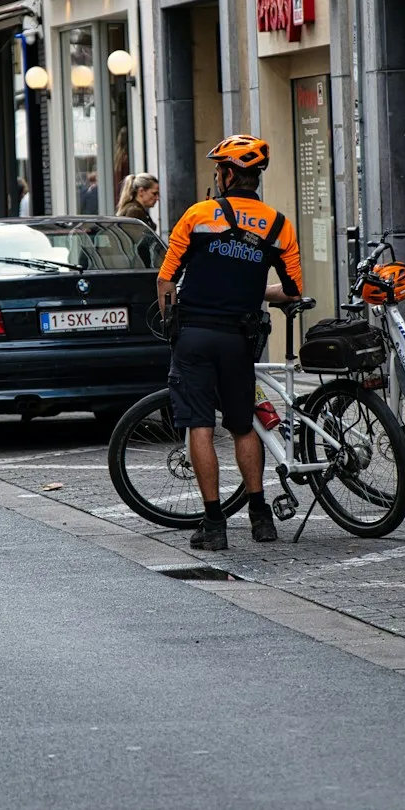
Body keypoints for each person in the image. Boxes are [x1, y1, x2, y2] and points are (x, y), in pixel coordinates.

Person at [157, 135, 303, 551]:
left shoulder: (198, 216)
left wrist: (169, 322)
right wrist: (257, 291)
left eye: (219, 169)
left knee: (199, 425)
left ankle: (215, 524)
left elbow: (167, 278)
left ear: (227, 174)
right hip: (240, 338)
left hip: (195, 335)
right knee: (242, 425)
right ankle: (261, 517)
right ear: (254, 177)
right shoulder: (279, 225)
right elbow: (293, 291)